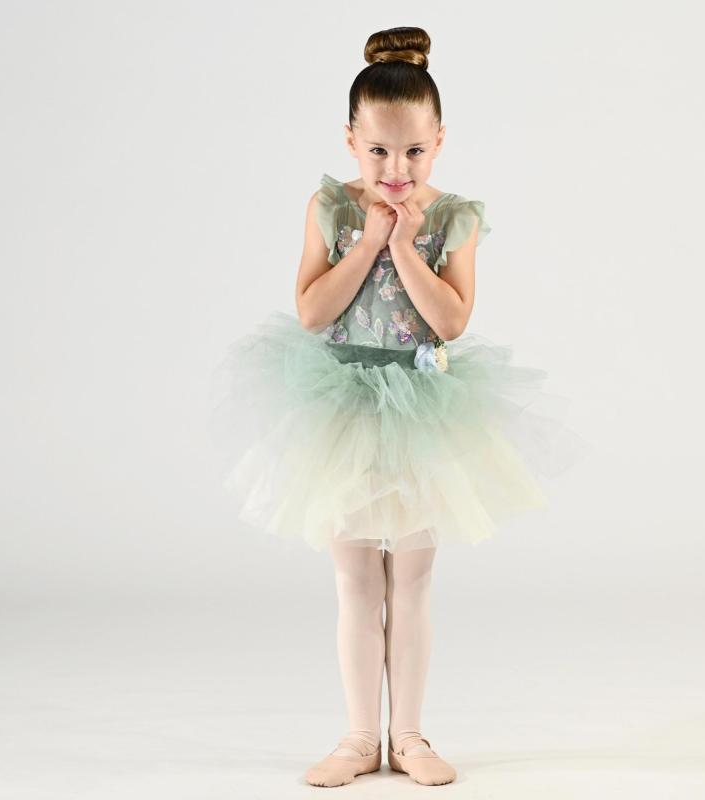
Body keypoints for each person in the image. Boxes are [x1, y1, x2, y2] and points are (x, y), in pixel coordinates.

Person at [207, 25, 591, 788]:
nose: (395, 168)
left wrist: (408, 246)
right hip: (342, 409)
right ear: (351, 140)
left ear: (439, 142)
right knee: (355, 580)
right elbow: (313, 312)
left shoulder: (455, 218)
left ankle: (409, 735)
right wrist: (366, 243)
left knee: (410, 580)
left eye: (414, 152)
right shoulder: (329, 208)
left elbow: (450, 321)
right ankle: (357, 737)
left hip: (423, 412)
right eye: (378, 151)